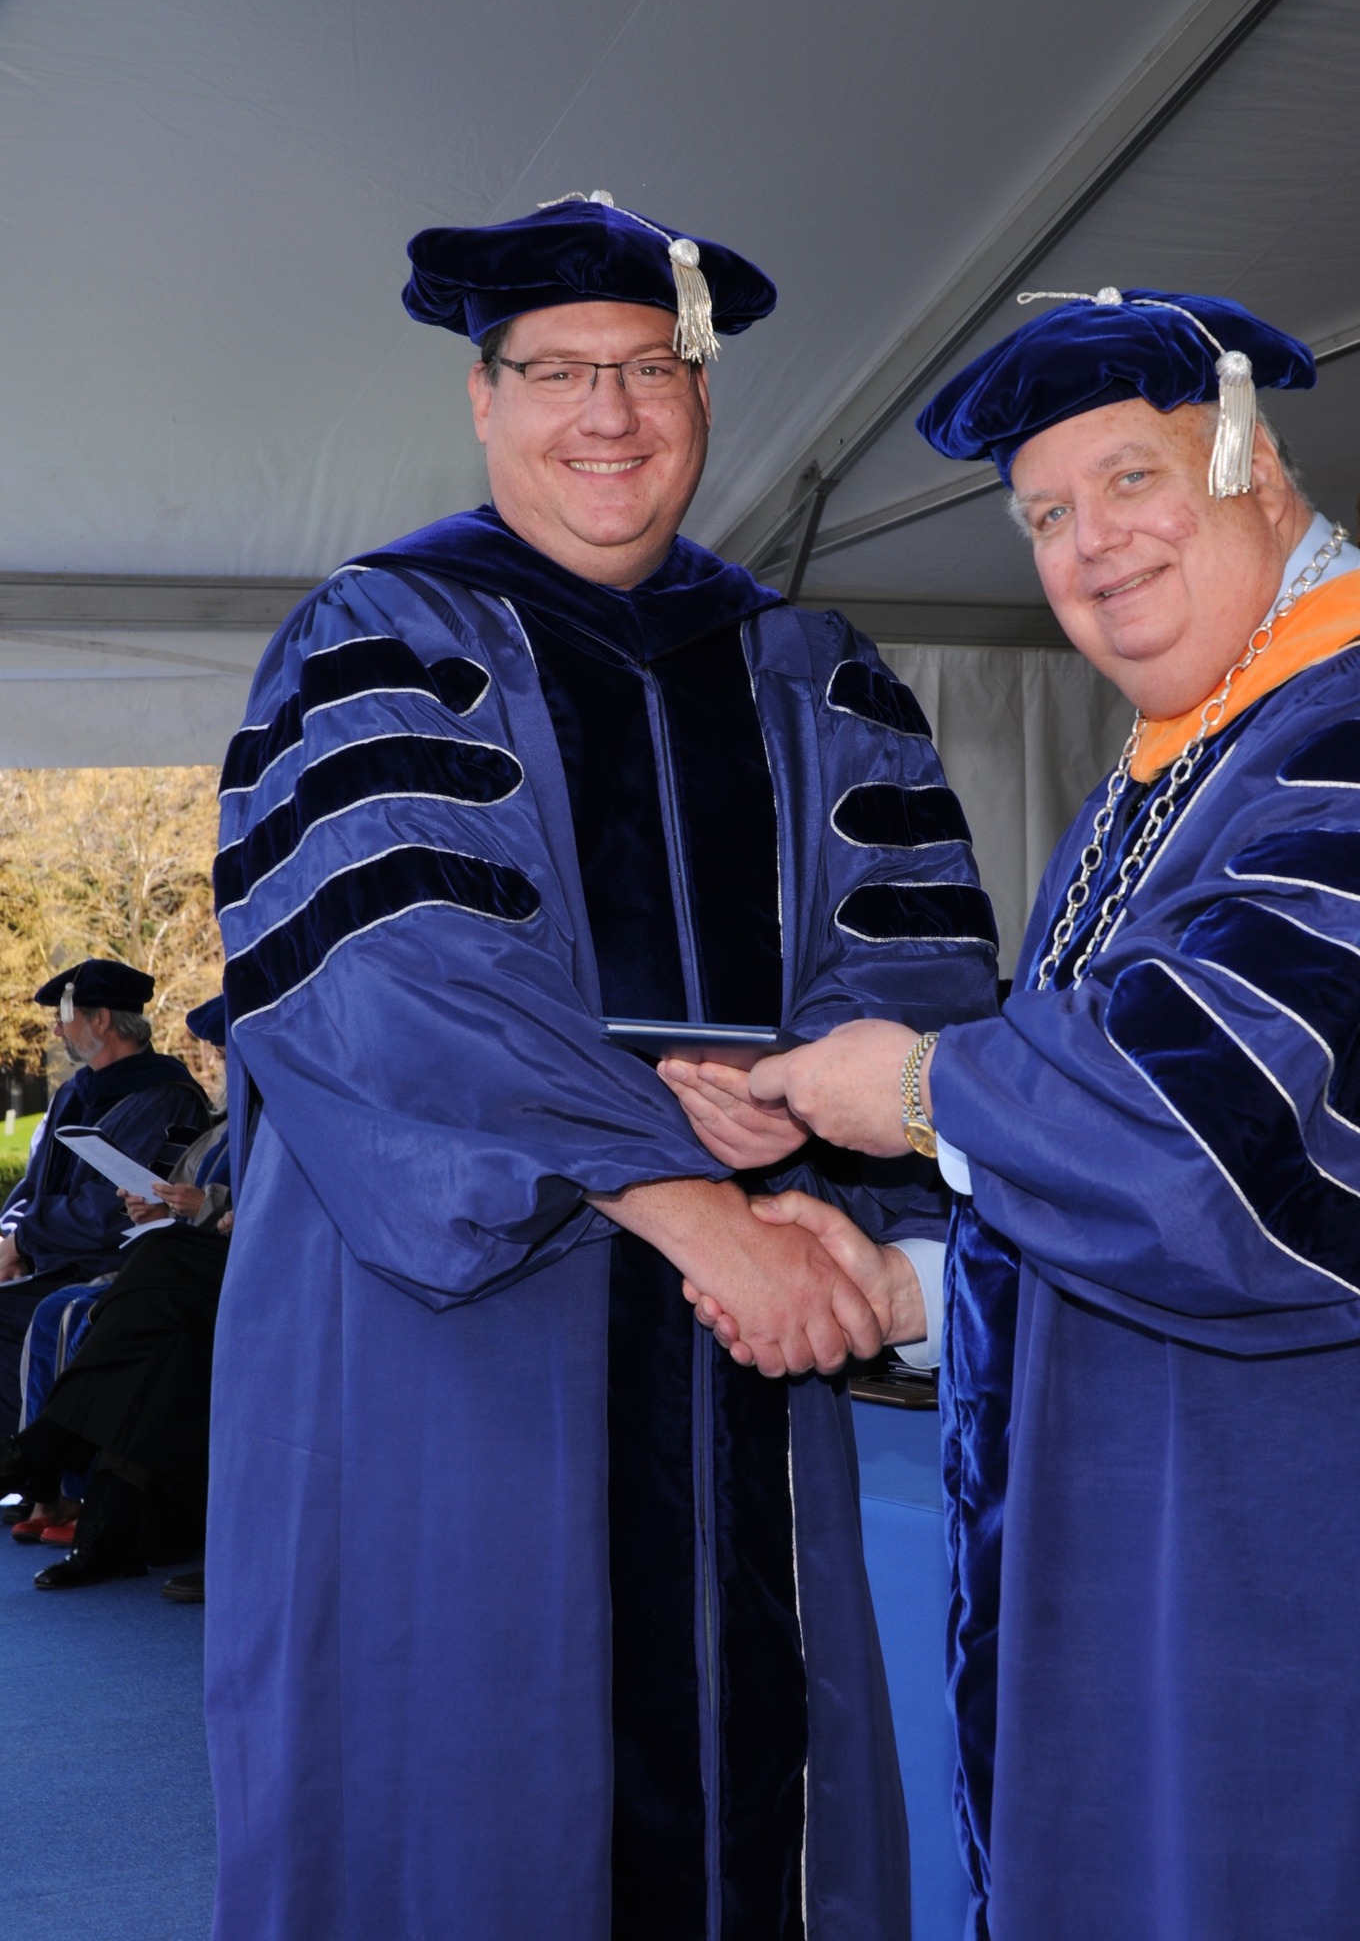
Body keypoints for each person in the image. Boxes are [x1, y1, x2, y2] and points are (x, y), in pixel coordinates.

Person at [206, 191, 998, 1940]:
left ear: (703, 395)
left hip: (750, 1312)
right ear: (482, 398)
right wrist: (692, 1201)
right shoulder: (378, 636)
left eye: (648, 368)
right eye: (559, 372)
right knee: (469, 1753)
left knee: (749, 1747)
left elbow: (915, 964)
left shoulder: (810, 665)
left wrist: (797, 1106)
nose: (610, 415)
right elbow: (390, 977)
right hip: (467, 1323)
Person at [669, 287, 1360, 1941]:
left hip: (1286, 1544)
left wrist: (913, 1087)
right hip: (1153, 1543)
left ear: (1258, 471)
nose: (1090, 543)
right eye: (1044, 514)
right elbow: (1086, 1163)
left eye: (1130, 480)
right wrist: (914, 1288)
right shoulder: (1171, 768)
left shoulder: (1337, 739)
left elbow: (1219, 1142)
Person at [0, 994, 231, 1591]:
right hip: (177, 1269)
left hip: (241, 1276)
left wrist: (211, 1207)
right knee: (153, 1342)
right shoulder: (225, 1121)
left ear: (102, 1019)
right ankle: (104, 1525)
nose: (220, 1060)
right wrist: (164, 1208)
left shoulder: (172, 1096)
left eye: (227, 1049)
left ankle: (49, 1457)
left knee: (104, 1302)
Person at [0, 960, 210, 1434]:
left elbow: (111, 1211)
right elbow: (32, 1186)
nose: (57, 1030)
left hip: (111, 1270)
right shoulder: (73, 1094)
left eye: (65, 1016)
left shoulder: (167, 1096)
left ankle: (28, 1462)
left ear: (102, 1020)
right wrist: (9, 1238)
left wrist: (25, 1242)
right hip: (48, 1260)